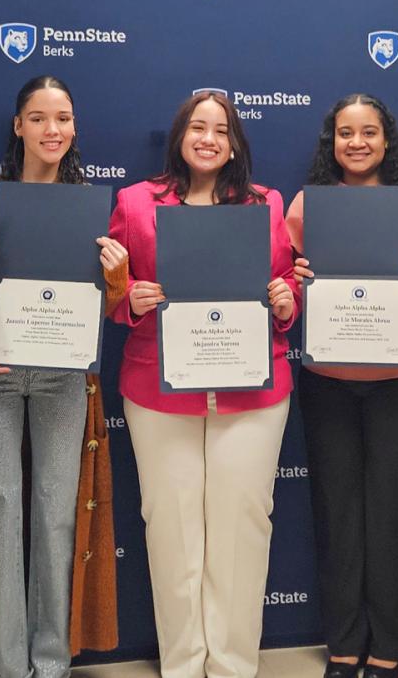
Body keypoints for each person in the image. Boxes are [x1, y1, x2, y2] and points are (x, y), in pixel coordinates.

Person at [108, 91, 298, 678]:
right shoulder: (135, 202)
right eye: (198, 126)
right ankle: (184, 666)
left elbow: (286, 278)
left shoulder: (266, 203)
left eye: (221, 129)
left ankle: (234, 666)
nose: (209, 138)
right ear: (179, 136)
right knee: (171, 528)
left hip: (254, 391)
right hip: (158, 390)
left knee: (243, 527)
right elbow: (114, 288)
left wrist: (288, 301)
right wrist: (131, 300)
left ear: (236, 141)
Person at [0, 74, 127, 678]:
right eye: (40, 118)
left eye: (64, 118)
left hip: (62, 375)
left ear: (75, 129)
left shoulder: (90, 203)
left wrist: (117, 278)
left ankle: (49, 664)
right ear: (18, 125)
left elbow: (101, 312)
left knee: (56, 510)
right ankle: (5, 664)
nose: (53, 130)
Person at [285, 94, 398, 678]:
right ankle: (343, 642)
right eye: (345, 133)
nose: (357, 143)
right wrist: (297, 284)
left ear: (386, 140)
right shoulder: (305, 206)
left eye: (369, 132)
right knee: (337, 514)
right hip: (328, 379)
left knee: (394, 514)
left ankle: (391, 643)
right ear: (332, 141)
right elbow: (288, 294)